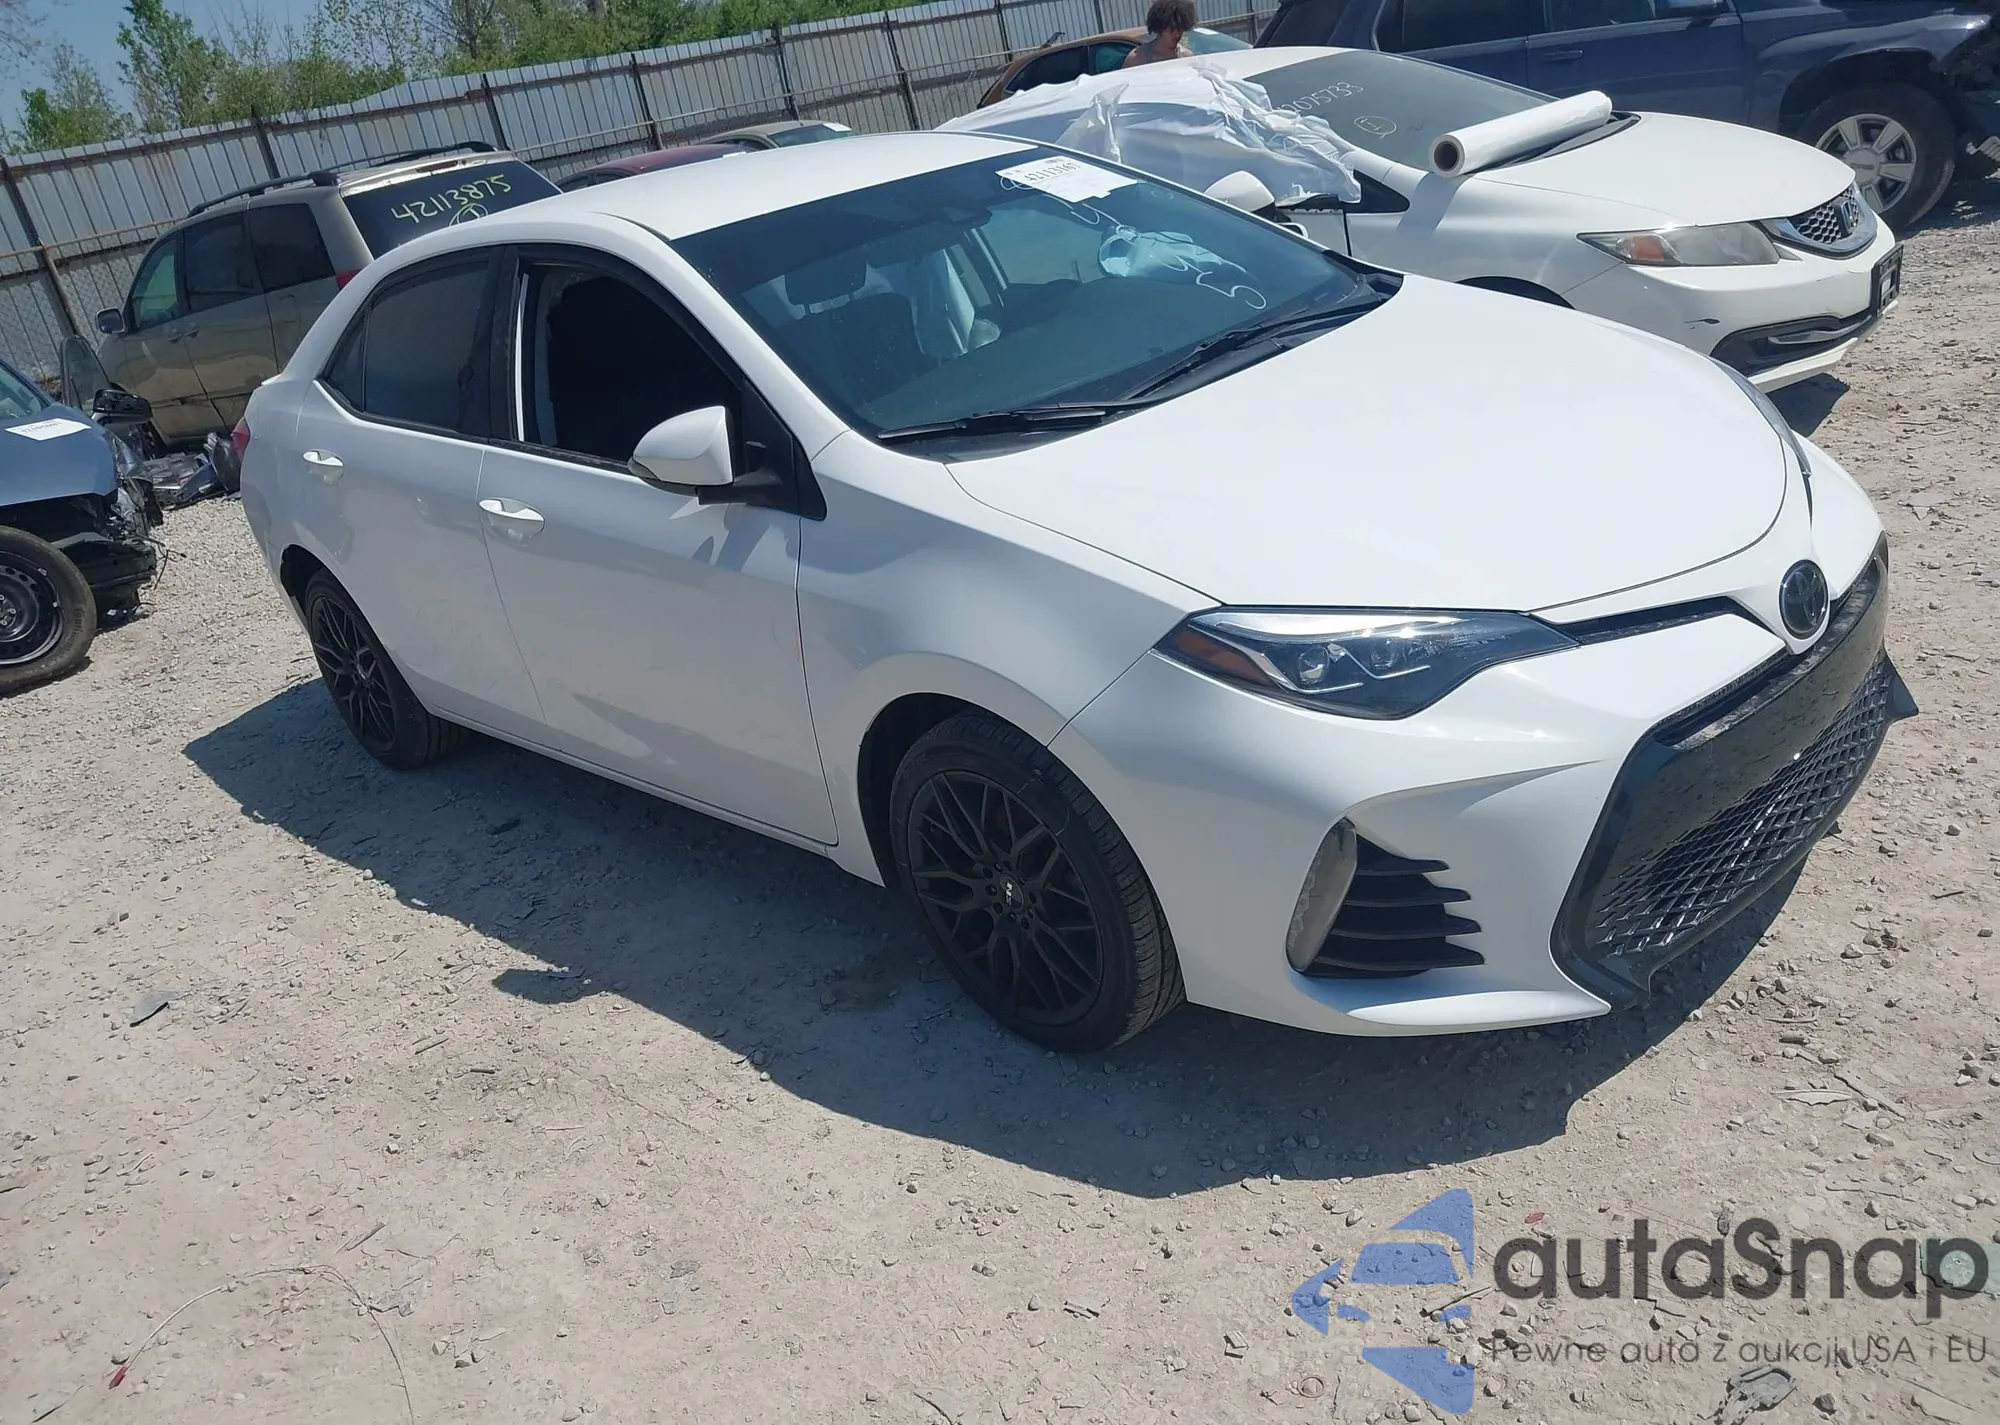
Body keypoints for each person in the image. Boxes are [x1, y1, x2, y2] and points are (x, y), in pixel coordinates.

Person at [1122, 0, 1196, 67]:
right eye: (1172, 29)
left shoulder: (1186, 57)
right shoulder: (1138, 59)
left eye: (1180, 30)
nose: (1177, 35)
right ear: (1160, 26)